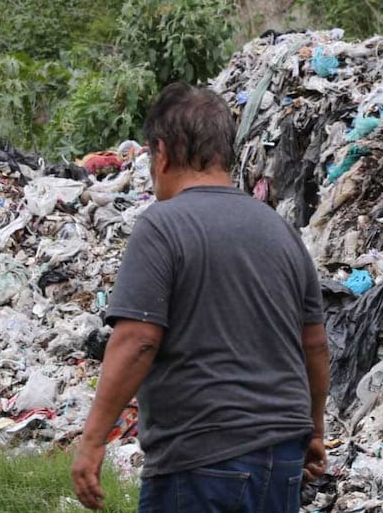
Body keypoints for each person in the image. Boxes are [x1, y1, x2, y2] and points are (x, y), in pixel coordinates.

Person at [71, 83, 329, 512]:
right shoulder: (279, 230)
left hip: (202, 458)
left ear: (162, 152)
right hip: (282, 457)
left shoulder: (163, 226)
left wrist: (93, 441)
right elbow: (315, 345)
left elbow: (139, 340)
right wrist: (314, 431)